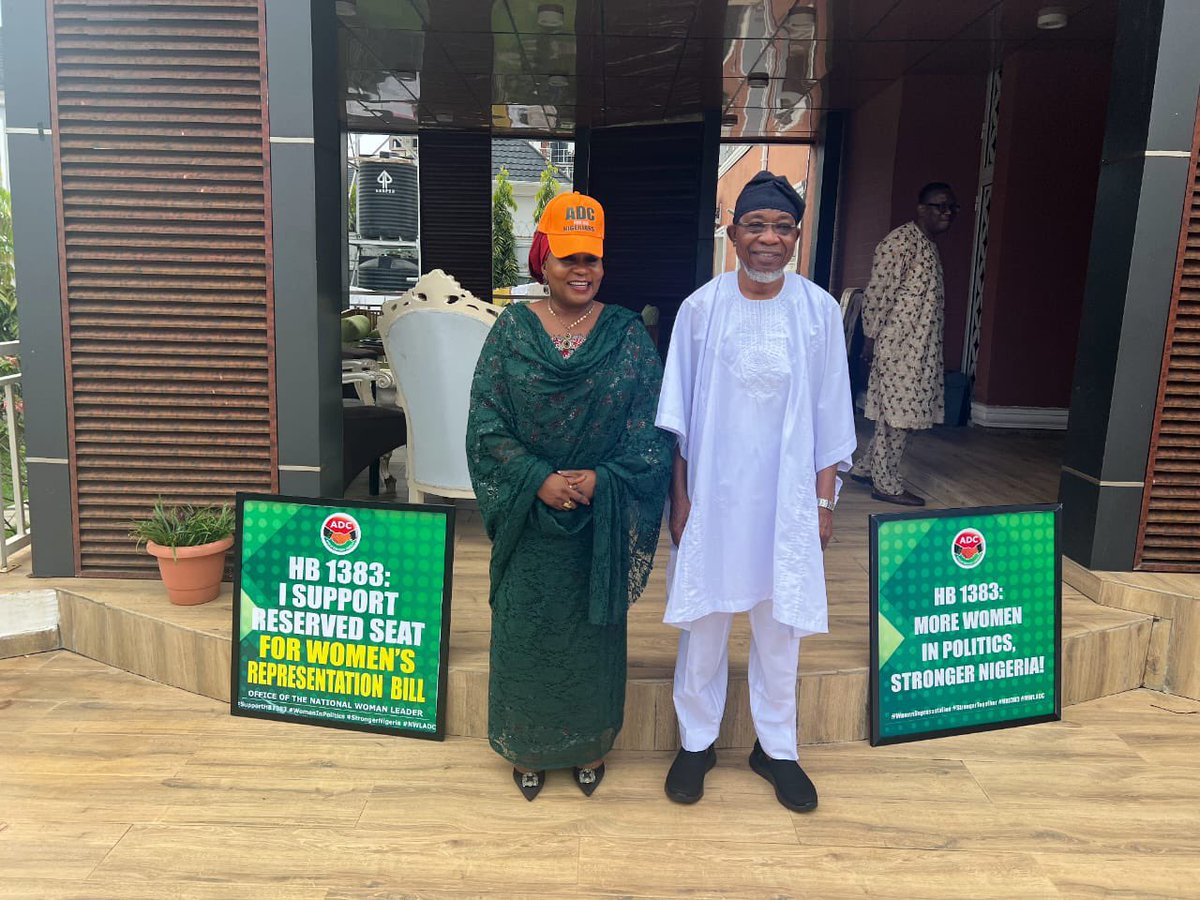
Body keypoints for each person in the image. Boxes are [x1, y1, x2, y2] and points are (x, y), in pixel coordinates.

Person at [655, 171, 856, 813]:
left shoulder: (819, 312)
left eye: (782, 227)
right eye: (756, 225)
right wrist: (680, 500)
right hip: (712, 496)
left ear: (796, 236)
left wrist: (823, 503)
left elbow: (832, 417)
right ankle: (696, 742)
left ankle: (777, 748)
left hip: (788, 500)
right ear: (733, 231)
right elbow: (678, 419)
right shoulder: (700, 309)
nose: (769, 239)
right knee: (705, 622)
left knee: (780, 625)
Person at [466, 191, 673, 801]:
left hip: (598, 523)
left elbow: (651, 429)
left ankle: (588, 745)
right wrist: (538, 477)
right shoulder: (512, 332)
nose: (582, 271)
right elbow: (486, 424)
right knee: (526, 632)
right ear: (543, 261)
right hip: (529, 519)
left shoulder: (626, 334)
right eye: (568, 258)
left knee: (590, 636)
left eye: (592, 259)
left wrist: (602, 479)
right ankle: (526, 746)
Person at [849, 182, 959, 506]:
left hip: (921, 348)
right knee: (898, 417)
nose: (947, 213)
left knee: (902, 414)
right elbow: (878, 293)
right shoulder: (900, 243)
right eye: (940, 206)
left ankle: (867, 468)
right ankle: (886, 484)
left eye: (952, 207)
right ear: (921, 209)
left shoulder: (928, 244)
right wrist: (870, 340)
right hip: (899, 347)